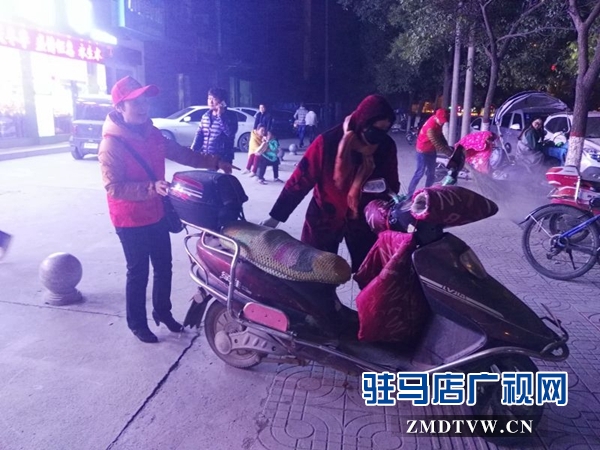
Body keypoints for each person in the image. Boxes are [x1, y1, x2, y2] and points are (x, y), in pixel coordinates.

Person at [98, 76, 219, 344]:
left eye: (144, 101)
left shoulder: (152, 133)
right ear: (119, 107)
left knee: (164, 266)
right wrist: (151, 187)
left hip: (156, 212)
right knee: (138, 272)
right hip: (129, 218)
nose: (143, 107)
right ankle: (137, 324)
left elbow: (181, 153)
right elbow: (114, 187)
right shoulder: (111, 144)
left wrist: (214, 162)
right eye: (135, 103)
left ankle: (162, 312)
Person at [262, 95, 400, 272]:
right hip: (324, 218)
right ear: (363, 122)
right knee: (315, 273)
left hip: (364, 222)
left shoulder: (386, 146)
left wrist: (387, 213)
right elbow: (299, 181)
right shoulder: (328, 142)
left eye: (385, 130)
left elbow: (392, 186)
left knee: (371, 274)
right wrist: (276, 216)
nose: (379, 135)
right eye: (376, 129)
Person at [191, 87, 238, 174]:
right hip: (209, 156)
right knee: (210, 178)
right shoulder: (205, 116)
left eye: (214, 99)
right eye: (209, 98)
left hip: (224, 157)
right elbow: (200, 134)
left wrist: (221, 116)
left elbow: (230, 133)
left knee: (225, 179)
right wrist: (194, 149)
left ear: (222, 101)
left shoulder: (231, 116)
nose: (211, 102)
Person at [406, 108, 452, 198]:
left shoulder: (438, 122)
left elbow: (440, 136)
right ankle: (409, 194)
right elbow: (437, 143)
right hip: (422, 150)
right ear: (436, 117)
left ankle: (428, 192)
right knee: (420, 172)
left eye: (443, 121)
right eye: (441, 121)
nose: (442, 123)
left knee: (431, 172)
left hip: (431, 150)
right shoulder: (430, 127)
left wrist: (447, 146)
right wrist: (449, 154)